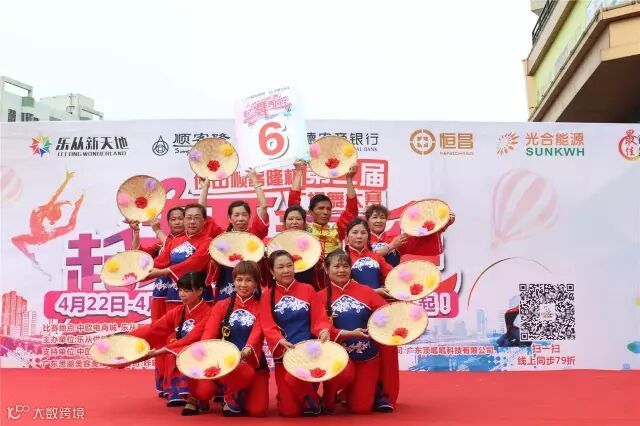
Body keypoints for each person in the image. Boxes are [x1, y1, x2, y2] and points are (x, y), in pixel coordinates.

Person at [317, 250, 390, 413]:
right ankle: (329, 396)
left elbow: (386, 314)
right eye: (336, 266)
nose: (341, 270)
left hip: (367, 355)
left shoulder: (366, 291)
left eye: (345, 266)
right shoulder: (320, 297)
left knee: (361, 408)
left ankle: (349, 393)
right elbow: (320, 327)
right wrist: (349, 334)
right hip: (338, 357)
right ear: (326, 269)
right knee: (343, 374)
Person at [260, 250, 331, 417]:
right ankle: (296, 396)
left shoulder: (308, 289)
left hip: (308, 352)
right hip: (285, 352)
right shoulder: (267, 296)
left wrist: (323, 330)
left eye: (289, 266)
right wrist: (279, 340)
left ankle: (311, 398)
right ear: (272, 271)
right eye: (280, 267)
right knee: (289, 411)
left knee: (298, 387)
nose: (286, 270)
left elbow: (319, 318)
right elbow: (268, 326)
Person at [129, 271, 211, 412]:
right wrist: (127, 337)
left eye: (187, 291)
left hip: (204, 356)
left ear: (199, 291)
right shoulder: (178, 311)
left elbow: (192, 338)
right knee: (175, 347)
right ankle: (190, 397)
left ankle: (197, 397)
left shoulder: (209, 312)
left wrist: (158, 352)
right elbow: (155, 328)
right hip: (182, 352)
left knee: (187, 352)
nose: (182, 294)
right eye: (180, 290)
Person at [126, 207, 185, 397]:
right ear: (168, 222)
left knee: (175, 337)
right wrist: (136, 232)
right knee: (159, 337)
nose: (177, 222)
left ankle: (178, 385)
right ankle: (165, 383)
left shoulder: (187, 244)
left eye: (181, 218)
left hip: (180, 297)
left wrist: (156, 229)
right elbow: (137, 256)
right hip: (161, 295)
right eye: (173, 219)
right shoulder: (161, 244)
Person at [199, 169, 269, 301]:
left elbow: (264, 207)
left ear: (249, 217)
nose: (240, 218)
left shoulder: (254, 235)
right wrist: (205, 187)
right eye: (236, 215)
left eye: (244, 215)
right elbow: (200, 214)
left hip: (251, 292)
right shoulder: (221, 237)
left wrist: (255, 181)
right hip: (225, 289)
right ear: (230, 219)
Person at [146, 204, 213, 311]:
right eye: (189, 218)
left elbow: (195, 263)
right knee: (173, 321)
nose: (192, 221)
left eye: (196, 218)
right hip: (175, 295)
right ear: (184, 220)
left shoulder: (209, 242)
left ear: (204, 221)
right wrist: (138, 272)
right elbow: (159, 262)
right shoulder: (175, 242)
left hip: (199, 296)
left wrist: (164, 271)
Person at [288, 159, 359, 256]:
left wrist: (349, 179)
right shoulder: (304, 229)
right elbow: (293, 206)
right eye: (321, 208)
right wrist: (298, 173)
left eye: (328, 209)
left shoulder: (337, 231)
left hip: (334, 265)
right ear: (310, 212)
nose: (325, 212)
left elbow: (351, 210)